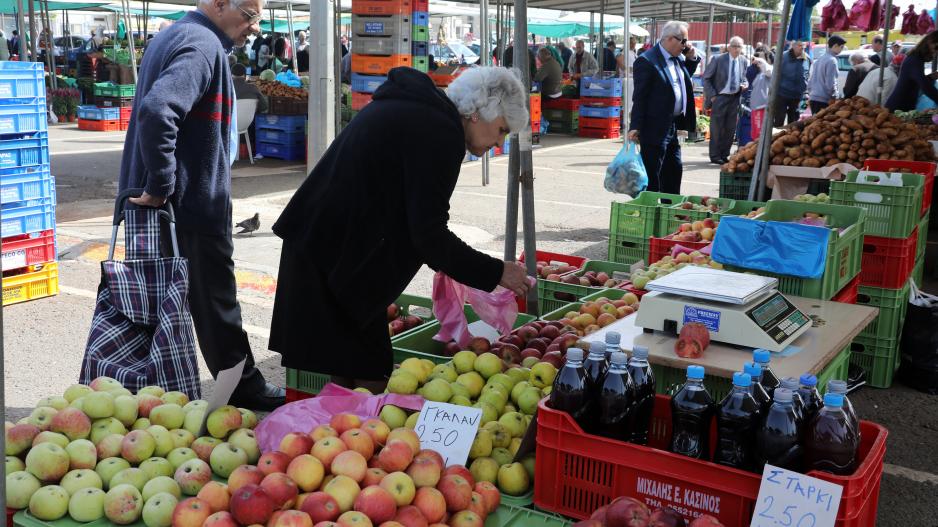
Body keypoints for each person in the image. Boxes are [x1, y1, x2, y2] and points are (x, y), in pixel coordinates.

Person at [268, 67, 531, 390]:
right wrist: (495, 272)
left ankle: (349, 432)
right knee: (369, 370)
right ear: (478, 113)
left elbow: (411, 218)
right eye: (502, 129)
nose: (499, 142)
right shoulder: (441, 132)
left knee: (352, 367)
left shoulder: (422, 114)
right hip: (332, 254)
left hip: (330, 250)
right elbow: (429, 234)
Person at [117, 0, 285, 411]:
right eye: (248, 14)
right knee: (215, 304)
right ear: (218, 4)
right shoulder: (201, 43)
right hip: (186, 207)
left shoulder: (176, 35)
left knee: (159, 304)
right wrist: (161, 185)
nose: (254, 26)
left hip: (166, 209)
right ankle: (242, 386)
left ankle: (151, 398)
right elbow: (159, 110)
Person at [628, 20, 700, 194]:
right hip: (653, 126)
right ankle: (651, 213)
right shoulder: (647, 61)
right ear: (669, 39)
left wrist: (691, 59)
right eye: (683, 41)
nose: (686, 45)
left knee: (674, 170)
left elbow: (682, 80)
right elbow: (640, 97)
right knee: (653, 174)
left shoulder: (677, 59)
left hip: (672, 125)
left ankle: (670, 210)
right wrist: (635, 126)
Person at [703, 35, 749, 164]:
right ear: (729, 47)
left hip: (735, 98)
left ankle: (724, 155)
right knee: (717, 128)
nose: (736, 49)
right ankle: (715, 155)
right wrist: (712, 96)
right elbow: (706, 78)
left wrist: (745, 84)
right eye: (734, 46)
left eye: (739, 46)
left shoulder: (743, 61)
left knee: (730, 129)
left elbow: (744, 78)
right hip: (720, 97)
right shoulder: (718, 59)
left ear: (742, 48)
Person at [886, 31, 938, 111]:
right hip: (897, 109)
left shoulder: (917, 59)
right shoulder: (915, 60)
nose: (936, 52)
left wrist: (931, 77)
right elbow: (926, 87)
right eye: (936, 48)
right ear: (929, 43)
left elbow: (915, 82)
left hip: (903, 108)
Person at [774, 40, 810, 126]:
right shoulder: (783, 57)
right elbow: (775, 74)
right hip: (782, 94)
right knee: (779, 120)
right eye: (799, 45)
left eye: (803, 45)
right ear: (793, 46)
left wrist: (805, 92)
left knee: (794, 122)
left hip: (798, 96)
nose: (802, 47)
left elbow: (808, 76)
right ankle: (776, 137)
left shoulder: (807, 59)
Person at [232, 62, 268, 147]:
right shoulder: (253, 88)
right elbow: (264, 107)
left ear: (231, 74)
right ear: (245, 75)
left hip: (229, 125)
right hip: (246, 124)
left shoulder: (226, 87)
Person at [807, 35, 845, 114]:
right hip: (824, 100)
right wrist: (834, 96)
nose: (842, 49)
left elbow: (811, 80)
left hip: (813, 98)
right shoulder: (832, 60)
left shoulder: (819, 59)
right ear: (835, 46)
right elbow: (830, 83)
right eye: (841, 47)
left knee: (815, 124)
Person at [749, 58, 773, 144]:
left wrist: (761, 61)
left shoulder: (771, 69)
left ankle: (759, 153)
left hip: (761, 106)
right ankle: (756, 153)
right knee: (755, 132)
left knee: (759, 132)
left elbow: (768, 71)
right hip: (755, 106)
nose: (757, 63)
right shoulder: (759, 73)